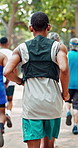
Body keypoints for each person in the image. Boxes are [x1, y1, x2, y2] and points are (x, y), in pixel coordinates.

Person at [4, 12, 69, 148]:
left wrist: (20, 81)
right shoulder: (57, 47)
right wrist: (65, 93)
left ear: (30, 28)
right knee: (49, 146)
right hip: (52, 104)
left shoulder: (22, 49)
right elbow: (63, 68)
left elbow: (7, 72)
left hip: (32, 105)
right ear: (49, 27)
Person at [0, 37, 16, 128]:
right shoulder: (6, 55)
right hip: (3, 85)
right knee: (5, 106)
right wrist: (8, 82)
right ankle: (2, 123)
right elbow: (8, 71)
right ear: (7, 43)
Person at [65, 38, 78, 134]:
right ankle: (75, 126)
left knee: (67, 100)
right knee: (76, 106)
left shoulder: (67, 55)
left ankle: (67, 112)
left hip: (68, 83)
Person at [0, 52, 7, 147]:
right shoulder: (2, 56)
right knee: (1, 112)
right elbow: (10, 70)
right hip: (0, 88)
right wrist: (8, 82)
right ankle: (0, 125)